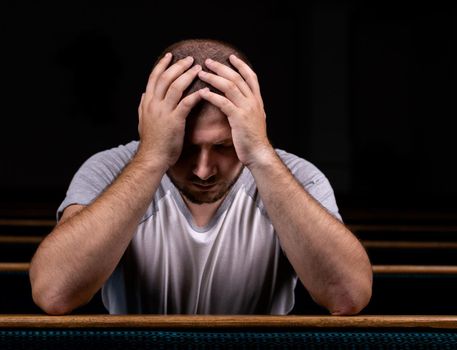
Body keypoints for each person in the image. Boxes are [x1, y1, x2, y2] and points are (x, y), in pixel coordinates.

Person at [29, 38, 372, 315]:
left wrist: (260, 154)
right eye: (185, 148)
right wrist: (152, 155)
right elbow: (54, 294)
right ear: (152, 122)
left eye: (224, 146)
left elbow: (348, 296)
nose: (203, 170)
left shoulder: (298, 176)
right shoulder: (109, 169)